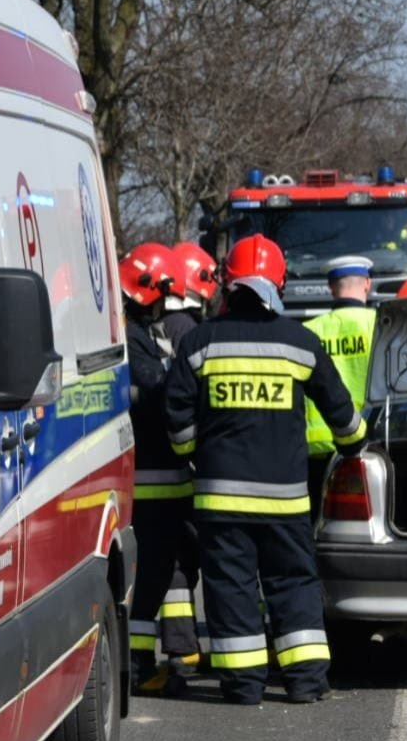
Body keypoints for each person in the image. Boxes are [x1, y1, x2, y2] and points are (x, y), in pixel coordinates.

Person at [164, 234, 366, 705]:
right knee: (293, 581)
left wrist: (195, 452)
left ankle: (244, 684)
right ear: (280, 282)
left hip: (219, 499)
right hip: (286, 498)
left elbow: (175, 415)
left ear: (228, 283)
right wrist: (355, 443)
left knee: (230, 587)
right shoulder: (300, 342)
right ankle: (306, 681)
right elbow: (340, 410)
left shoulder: (198, 343)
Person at [118, 242, 203, 695]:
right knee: (150, 576)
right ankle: (137, 665)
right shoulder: (132, 337)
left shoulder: (142, 332)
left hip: (162, 477)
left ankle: (148, 662)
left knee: (162, 572)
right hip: (151, 479)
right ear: (148, 287)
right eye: (163, 291)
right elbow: (156, 394)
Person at [303, 255, 378, 518]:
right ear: (367, 284)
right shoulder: (379, 326)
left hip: (316, 449)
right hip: (368, 444)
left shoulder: (310, 331)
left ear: (330, 287)